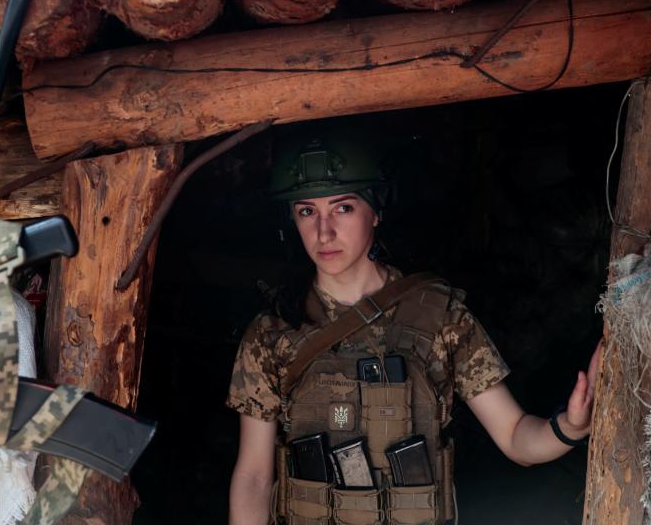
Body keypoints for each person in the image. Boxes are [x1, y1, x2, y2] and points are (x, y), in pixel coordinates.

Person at [226, 132, 602, 525]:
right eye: (306, 211)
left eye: (343, 208)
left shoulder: (440, 315)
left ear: (376, 210)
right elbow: (253, 477)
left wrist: (570, 427)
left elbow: (515, 437)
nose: (323, 232)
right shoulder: (272, 333)